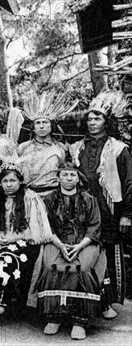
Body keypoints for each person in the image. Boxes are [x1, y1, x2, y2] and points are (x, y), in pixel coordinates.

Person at [69, 90, 132, 319]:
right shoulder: (76, 148)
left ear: (107, 122)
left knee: (108, 252)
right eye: (89, 118)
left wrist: (127, 214)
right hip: (82, 211)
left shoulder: (118, 148)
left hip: (109, 209)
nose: (92, 122)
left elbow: (128, 181)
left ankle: (106, 302)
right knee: (85, 253)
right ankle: (84, 299)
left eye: (97, 118)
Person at [38, 163, 107, 340]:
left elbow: (94, 227)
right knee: (51, 266)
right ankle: (54, 316)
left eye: (72, 175)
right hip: (57, 240)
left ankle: (80, 320)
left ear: (78, 178)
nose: (69, 178)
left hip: (84, 242)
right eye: (65, 175)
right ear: (58, 178)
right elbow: (45, 227)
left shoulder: (89, 199)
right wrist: (60, 245)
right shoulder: (49, 199)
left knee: (82, 269)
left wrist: (79, 247)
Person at [0, 162, 55, 322]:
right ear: (0, 183)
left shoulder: (30, 198)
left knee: (6, 256)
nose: (8, 185)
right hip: (3, 238)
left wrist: (15, 237)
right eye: (5, 181)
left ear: (20, 181)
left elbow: (38, 229)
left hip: (26, 241)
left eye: (12, 181)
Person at [16, 92, 71, 196]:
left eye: (45, 122)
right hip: (28, 195)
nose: (41, 126)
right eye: (38, 123)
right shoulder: (23, 147)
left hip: (52, 195)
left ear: (51, 126)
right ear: (33, 127)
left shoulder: (60, 149)